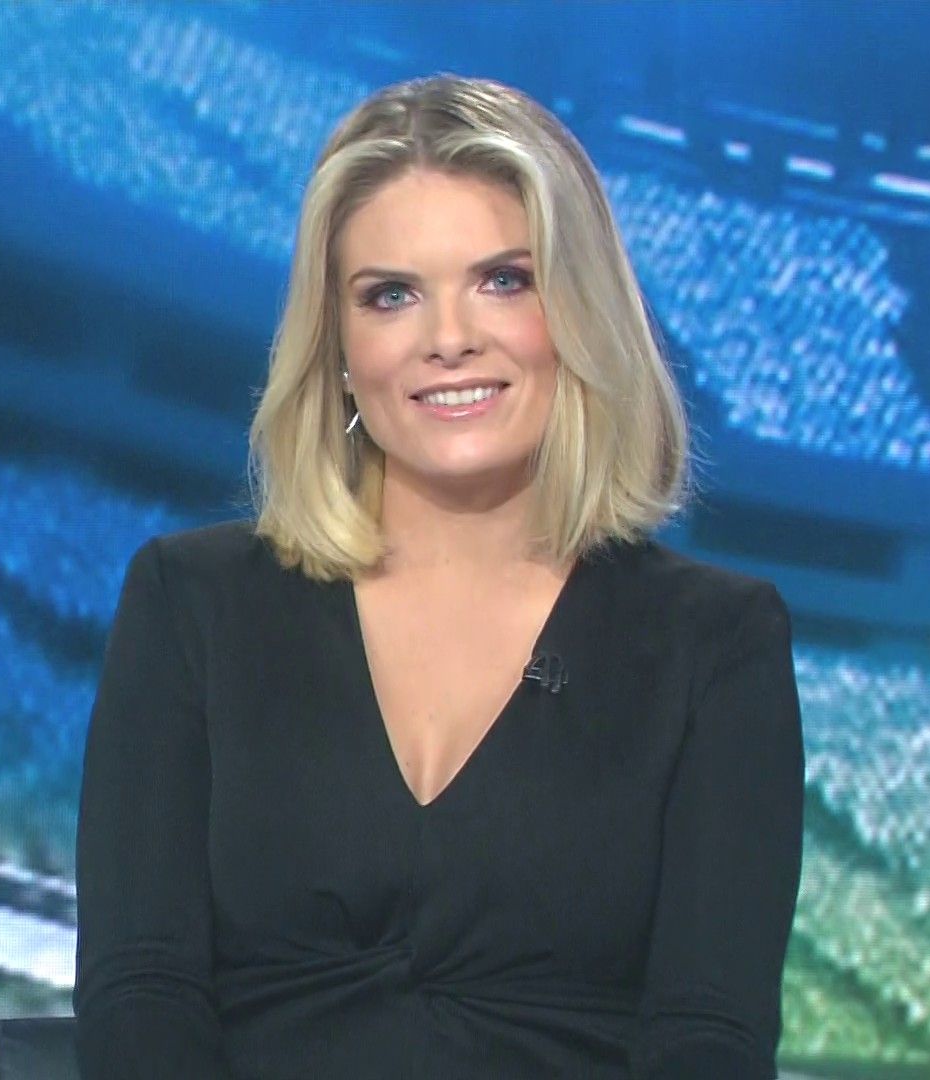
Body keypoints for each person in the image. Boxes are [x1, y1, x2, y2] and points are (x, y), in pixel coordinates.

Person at [73, 73, 804, 1080]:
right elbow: (140, 990)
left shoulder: (716, 642)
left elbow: (709, 1036)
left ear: (581, 312)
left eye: (504, 280)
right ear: (338, 344)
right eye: (392, 295)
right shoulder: (190, 602)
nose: (449, 338)